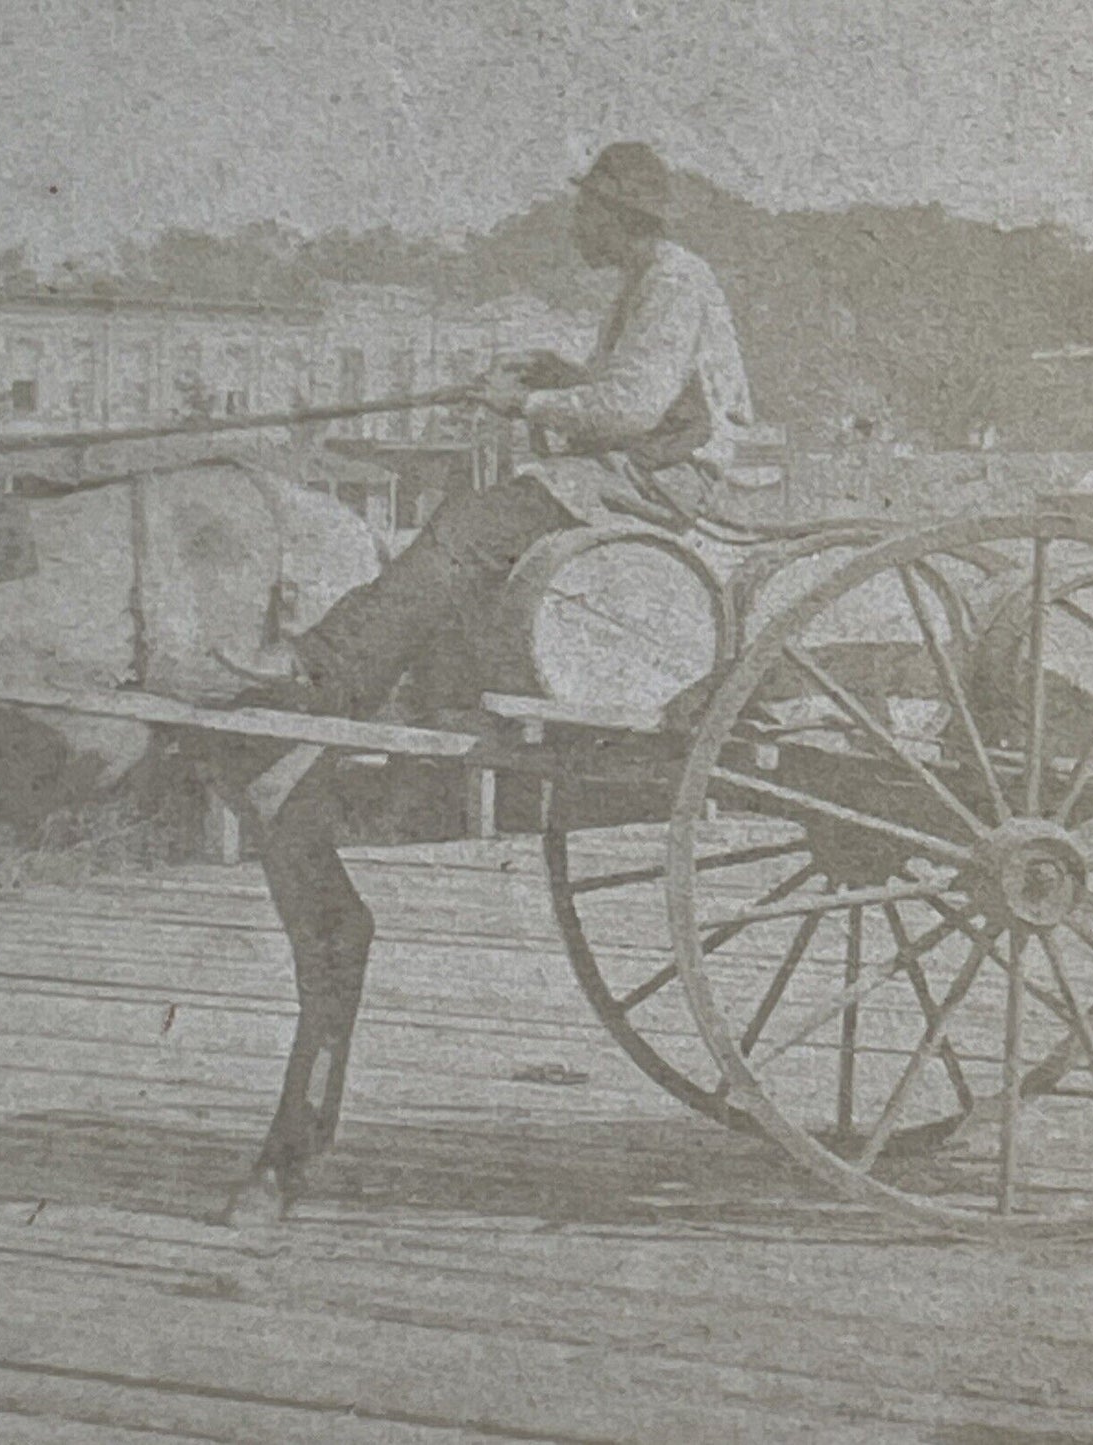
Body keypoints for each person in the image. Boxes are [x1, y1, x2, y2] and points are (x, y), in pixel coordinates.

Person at [215, 142, 754, 1215]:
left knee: (467, 526)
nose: (574, 228)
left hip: (667, 485)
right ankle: (389, 672)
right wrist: (552, 380)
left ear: (617, 216)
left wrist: (535, 410)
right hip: (641, 464)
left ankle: (326, 673)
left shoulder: (673, 279)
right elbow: (619, 391)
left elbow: (637, 406)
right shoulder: (650, 280)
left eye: (585, 213)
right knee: (481, 524)